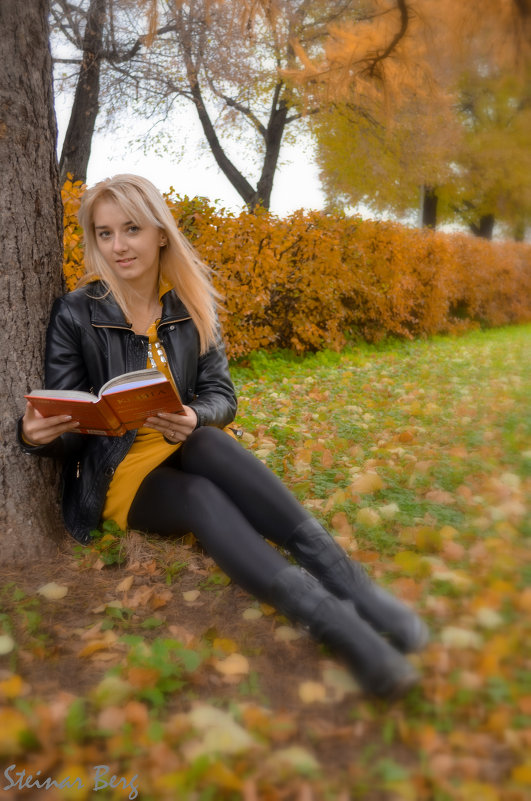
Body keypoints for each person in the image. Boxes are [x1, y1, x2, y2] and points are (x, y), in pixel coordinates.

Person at [18, 174, 428, 699]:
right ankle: (343, 629)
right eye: (104, 233)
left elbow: (222, 395)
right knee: (199, 496)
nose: (118, 246)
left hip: (184, 444)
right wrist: (37, 435)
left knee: (209, 440)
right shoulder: (77, 311)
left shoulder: (189, 303)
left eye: (131, 229)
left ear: (160, 233)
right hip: (118, 471)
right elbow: (71, 422)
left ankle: (359, 592)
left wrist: (193, 415)